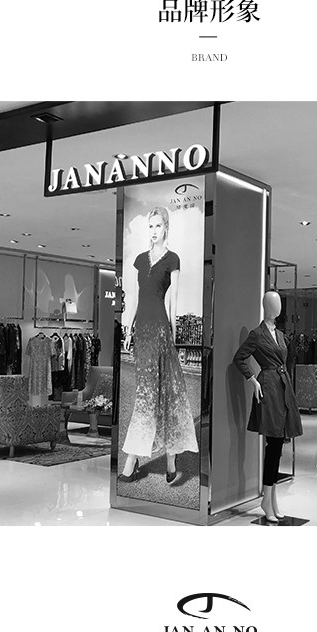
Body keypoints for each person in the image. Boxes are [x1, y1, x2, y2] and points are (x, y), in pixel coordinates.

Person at [119, 206, 198, 483]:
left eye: (157, 226)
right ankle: (165, 457)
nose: (153, 231)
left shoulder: (172, 259)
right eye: (150, 226)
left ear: (166, 227)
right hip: (142, 332)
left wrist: (173, 334)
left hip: (161, 331)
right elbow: (134, 296)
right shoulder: (140, 260)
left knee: (157, 393)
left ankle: (137, 460)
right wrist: (128, 328)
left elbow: (173, 300)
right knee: (147, 392)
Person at [233, 290, 303, 523]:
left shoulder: (281, 335)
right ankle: (267, 499)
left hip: (283, 387)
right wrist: (252, 380)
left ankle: (271, 499)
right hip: (269, 388)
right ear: (266, 306)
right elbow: (239, 358)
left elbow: (286, 359)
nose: (278, 307)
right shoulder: (256, 334)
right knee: (273, 444)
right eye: (274, 303)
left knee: (278, 444)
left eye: (279, 303)